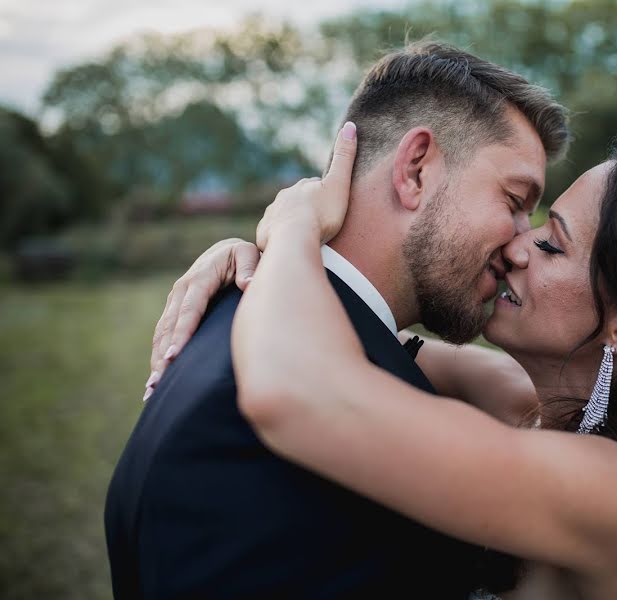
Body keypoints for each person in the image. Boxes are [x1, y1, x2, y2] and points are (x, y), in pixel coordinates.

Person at [151, 127, 617, 598]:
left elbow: (299, 393)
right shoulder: (523, 403)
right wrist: (244, 257)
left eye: (554, 245)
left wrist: (293, 224)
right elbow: (357, 336)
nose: (518, 245)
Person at [105, 40, 568, 599]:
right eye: (516, 201)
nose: (523, 242)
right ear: (416, 170)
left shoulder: (284, 334)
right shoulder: (241, 417)